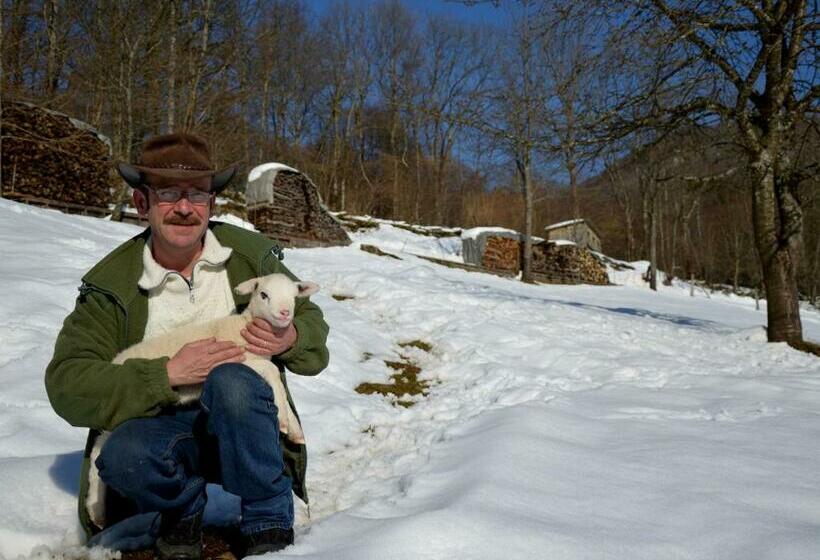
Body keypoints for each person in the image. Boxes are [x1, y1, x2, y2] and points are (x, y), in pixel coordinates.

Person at [45, 132, 329, 559]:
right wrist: (165, 374)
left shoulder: (250, 256)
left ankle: (268, 517)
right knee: (124, 452)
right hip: (163, 430)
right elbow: (68, 384)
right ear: (142, 203)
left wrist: (291, 337)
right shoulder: (111, 286)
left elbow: (310, 325)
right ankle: (180, 511)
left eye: (197, 194)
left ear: (211, 204)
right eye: (168, 193)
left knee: (233, 381)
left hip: (244, 424)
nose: (184, 207)